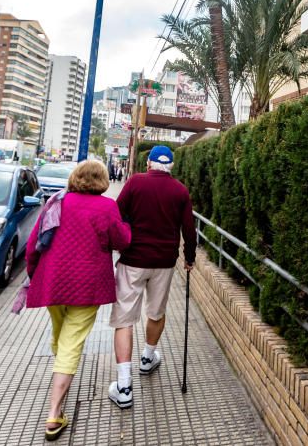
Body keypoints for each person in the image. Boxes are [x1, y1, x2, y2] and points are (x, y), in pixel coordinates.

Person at [25, 160, 131, 440]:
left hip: (53, 280)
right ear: (102, 181)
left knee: (60, 335)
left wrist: (33, 274)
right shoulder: (107, 207)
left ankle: (62, 370)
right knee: (70, 344)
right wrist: (127, 227)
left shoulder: (57, 202)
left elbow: (34, 242)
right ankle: (54, 413)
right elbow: (121, 241)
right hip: (87, 287)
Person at [108, 145, 196, 408]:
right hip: (164, 263)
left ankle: (124, 386)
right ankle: (148, 359)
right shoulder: (180, 190)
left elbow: (116, 215)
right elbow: (189, 231)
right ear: (171, 166)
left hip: (133, 260)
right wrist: (189, 258)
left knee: (124, 318)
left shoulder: (135, 182)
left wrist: (118, 242)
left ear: (149, 164)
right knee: (156, 312)